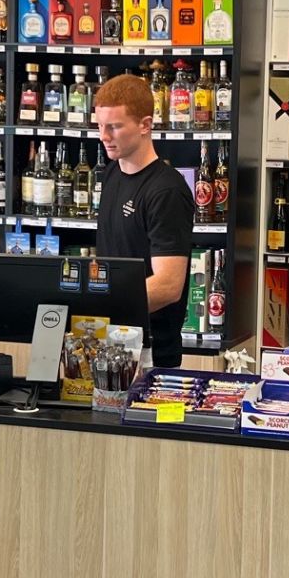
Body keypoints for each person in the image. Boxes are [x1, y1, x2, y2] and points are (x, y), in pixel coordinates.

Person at [91, 72, 195, 368]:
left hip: (151, 354)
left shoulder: (166, 190)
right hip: (110, 341)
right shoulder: (113, 173)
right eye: (99, 125)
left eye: (114, 126)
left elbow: (168, 285)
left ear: (145, 125)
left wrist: (99, 305)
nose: (104, 136)